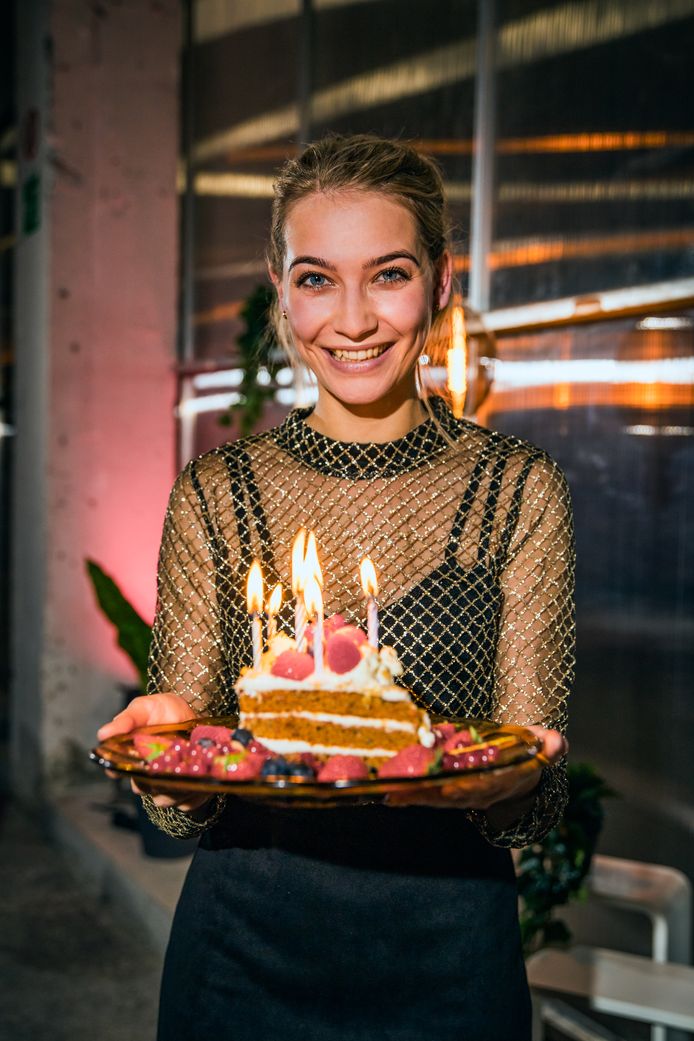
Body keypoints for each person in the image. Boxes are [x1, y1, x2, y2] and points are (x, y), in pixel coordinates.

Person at [98, 134, 574, 1041]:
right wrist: (170, 745)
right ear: (282, 288)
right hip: (242, 954)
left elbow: (535, 801)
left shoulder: (518, 490)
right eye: (317, 278)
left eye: (387, 273)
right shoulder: (217, 493)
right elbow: (172, 800)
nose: (351, 319)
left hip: (450, 955)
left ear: (440, 281)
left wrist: (499, 783)